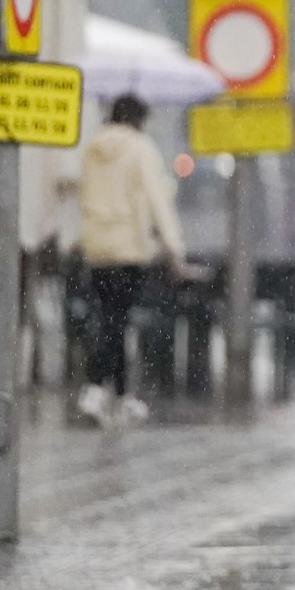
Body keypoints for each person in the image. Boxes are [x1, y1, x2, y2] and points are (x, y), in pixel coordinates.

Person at [75, 94, 187, 427]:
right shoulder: (141, 148)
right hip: (129, 248)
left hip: (96, 246)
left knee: (110, 318)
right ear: (139, 119)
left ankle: (122, 395)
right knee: (116, 322)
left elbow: (83, 195)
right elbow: (157, 200)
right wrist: (174, 249)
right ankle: (95, 388)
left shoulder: (92, 149)